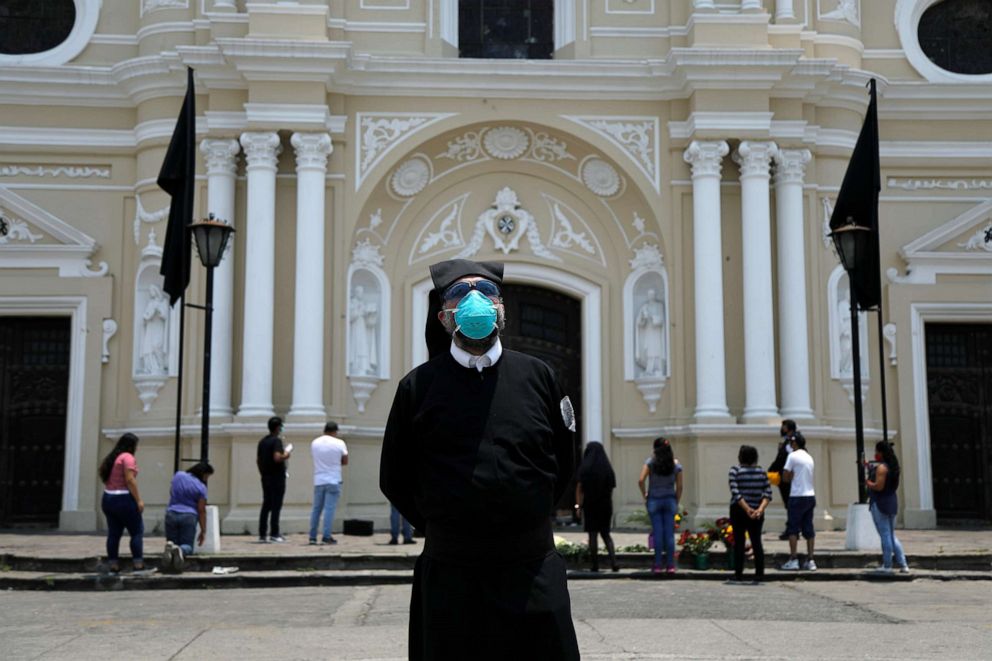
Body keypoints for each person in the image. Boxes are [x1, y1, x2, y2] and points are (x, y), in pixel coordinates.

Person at [380, 258, 579, 661]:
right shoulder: (417, 387)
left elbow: (564, 457)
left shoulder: (539, 376)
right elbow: (394, 474)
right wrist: (445, 521)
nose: (476, 300)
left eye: (487, 292)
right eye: (460, 293)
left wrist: (528, 510)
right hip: (452, 571)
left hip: (531, 569)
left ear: (501, 308)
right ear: (443, 315)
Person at [98, 433, 150, 574]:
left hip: (108, 498)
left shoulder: (112, 457)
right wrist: (139, 500)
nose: (137, 449)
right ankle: (138, 565)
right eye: (136, 445)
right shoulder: (127, 457)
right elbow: (130, 480)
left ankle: (113, 565)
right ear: (131, 445)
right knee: (136, 532)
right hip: (124, 499)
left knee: (114, 534)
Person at [638, 437, 683, 575]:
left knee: (658, 533)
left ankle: (657, 565)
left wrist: (645, 493)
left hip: (654, 499)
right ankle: (670, 565)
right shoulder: (675, 465)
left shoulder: (650, 463)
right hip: (669, 499)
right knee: (669, 533)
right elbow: (680, 486)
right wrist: (676, 499)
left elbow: (640, 480)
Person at [728, 445, 772, 583]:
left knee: (739, 542)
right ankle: (759, 573)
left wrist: (747, 509)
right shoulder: (761, 472)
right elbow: (768, 493)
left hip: (739, 510)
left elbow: (736, 493)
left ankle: (738, 574)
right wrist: (760, 509)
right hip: (757, 511)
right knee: (756, 542)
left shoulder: (735, 471)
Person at [866, 441, 910, 574]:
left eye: (877, 451)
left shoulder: (882, 468)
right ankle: (903, 564)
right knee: (891, 535)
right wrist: (868, 467)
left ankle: (887, 565)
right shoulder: (893, 467)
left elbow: (879, 486)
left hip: (880, 502)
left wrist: (869, 483)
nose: (876, 454)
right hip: (891, 501)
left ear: (881, 452)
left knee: (885, 535)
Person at [163, 462, 214, 573]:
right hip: (189, 516)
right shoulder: (201, 487)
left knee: (172, 542)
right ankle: (180, 550)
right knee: (187, 546)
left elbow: (171, 492)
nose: (206, 479)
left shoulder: (178, 475)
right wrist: (203, 530)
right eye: (207, 476)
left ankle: (171, 549)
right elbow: (201, 510)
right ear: (203, 473)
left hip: (171, 513)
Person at [576, 440, 618, 572]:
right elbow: (612, 487)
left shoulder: (585, 469)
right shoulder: (607, 469)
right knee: (606, 535)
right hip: (605, 505)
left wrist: (578, 505)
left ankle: (595, 565)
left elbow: (579, 488)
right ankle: (614, 563)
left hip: (590, 505)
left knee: (592, 535)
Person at [780, 431, 816, 571]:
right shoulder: (809, 457)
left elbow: (785, 477)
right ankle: (811, 560)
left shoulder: (792, 456)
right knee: (809, 529)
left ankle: (793, 559)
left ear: (794, 443)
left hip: (796, 496)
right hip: (810, 495)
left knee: (793, 529)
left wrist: (789, 476)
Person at [310, 421, 348, 545]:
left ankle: (312, 536)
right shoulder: (339, 443)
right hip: (333, 479)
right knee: (329, 510)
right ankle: (326, 536)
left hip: (319, 480)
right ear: (335, 431)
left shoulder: (315, 442)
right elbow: (345, 460)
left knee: (316, 509)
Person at [257, 416, 292, 543]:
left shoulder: (262, 441)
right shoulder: (276, 441)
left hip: (265, 476)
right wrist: (287, 454)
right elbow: (277, 458)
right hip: (276, 477)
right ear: (278, 428)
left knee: (266, 504)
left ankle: (262, 533)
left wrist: (263, 473)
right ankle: (274, 533)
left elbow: (258, 460)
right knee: (276, 505)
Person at [768, 419, 796, 540]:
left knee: (790, 504)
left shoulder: (792, 441)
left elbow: (786, 459)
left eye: (784, 426)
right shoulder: (788, 441)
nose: (782, 428)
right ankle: (792, 528)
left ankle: (792, 529)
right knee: (788, 504)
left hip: (787, 479)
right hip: (784, 478)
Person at [634, 288, 665, 376]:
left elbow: (661, 320)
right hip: (648, 330)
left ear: (655, 295)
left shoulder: (659, 305)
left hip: (656, 331)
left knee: (656, 348)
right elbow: (639, 323)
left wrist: (652, 317)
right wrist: (644, 318)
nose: (651, 296)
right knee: (649, 349)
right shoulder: (645, 307)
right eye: (649, 294)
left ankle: (657, 368)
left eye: (652, 294)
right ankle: (649, 369)